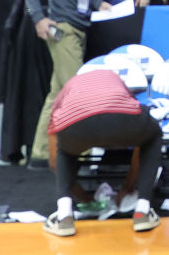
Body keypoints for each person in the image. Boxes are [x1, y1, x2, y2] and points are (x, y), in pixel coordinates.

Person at [25, 0, 111, 168]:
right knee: (76, 93)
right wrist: (39, 18)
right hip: (63, 29)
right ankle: (80, 154)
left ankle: (40, 153)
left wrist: (98, 4)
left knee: (58, 92)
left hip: (80, 27)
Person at [43, 69, 162, 236]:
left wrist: (85, 198)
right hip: (121, 119)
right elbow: (133, 115)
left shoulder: (66, 90)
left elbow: (54, 162)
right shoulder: (114, 78)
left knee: (64, 150)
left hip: (77, 125)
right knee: (152, 136)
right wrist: (127, 188)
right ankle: (142, 211)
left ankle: (64, 216)